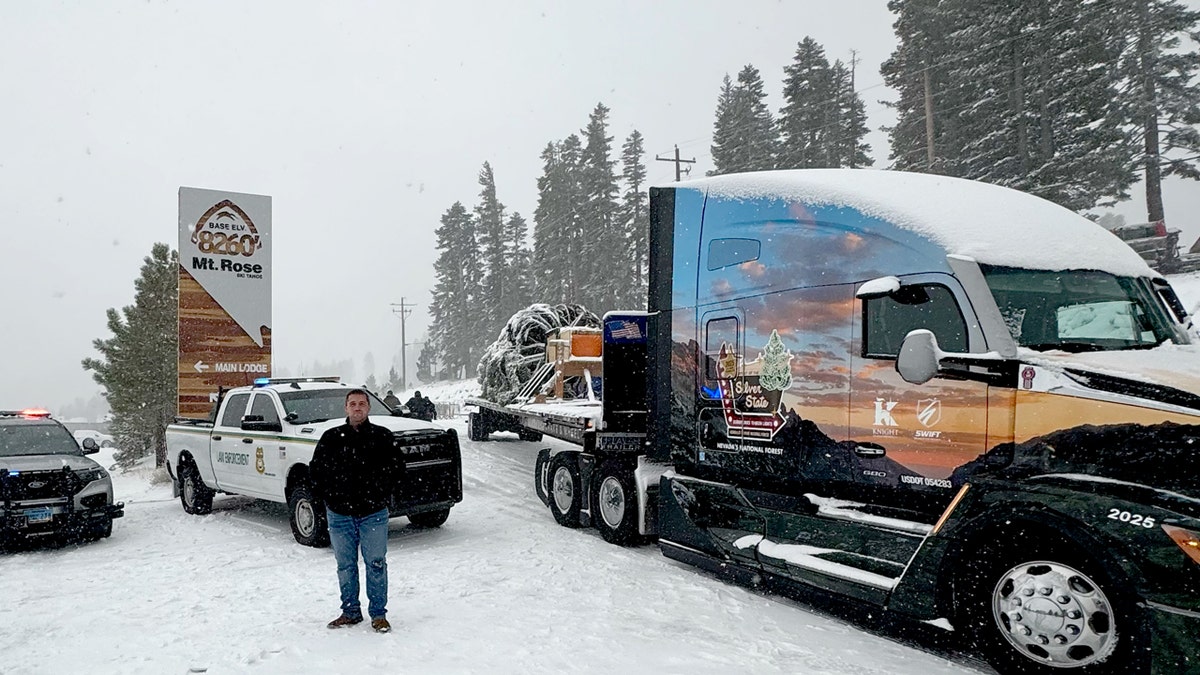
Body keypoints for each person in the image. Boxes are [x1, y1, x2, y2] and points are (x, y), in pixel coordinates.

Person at [310, 389, 395, 633]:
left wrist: (381, 493)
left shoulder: (382, 437)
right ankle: (350, 611)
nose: (357, 408)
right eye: (352, 404)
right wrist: (330, 496)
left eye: (362, 404)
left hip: (374, 513)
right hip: (339, 514)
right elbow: (316, 472)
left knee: (376, 563)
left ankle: (378, 614)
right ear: (345, 408)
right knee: (345, 565)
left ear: (368, 408)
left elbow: (396, 469)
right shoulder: (331, 438)